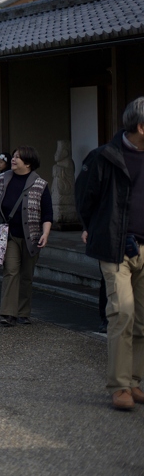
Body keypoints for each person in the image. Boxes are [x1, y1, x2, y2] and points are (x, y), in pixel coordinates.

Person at [75, 97, 144, 411]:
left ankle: (134, 381)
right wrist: (92, 226)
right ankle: (119, 386)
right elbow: (84, 195)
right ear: (141, 127)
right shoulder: (105, 156)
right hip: (117, 246)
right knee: (122, 312)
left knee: (142, 319)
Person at [0, 146, 52, 327]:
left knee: (26, 275)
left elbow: (47, 214)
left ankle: (23, 312)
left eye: (17, 158)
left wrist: (45, 233)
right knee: (11, 271)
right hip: (10, 235)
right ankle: (8, 313)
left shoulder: (40, 184)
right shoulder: (2, 179)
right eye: (13, 157)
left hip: (33, 236)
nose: (13, 160)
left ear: (28, 163)